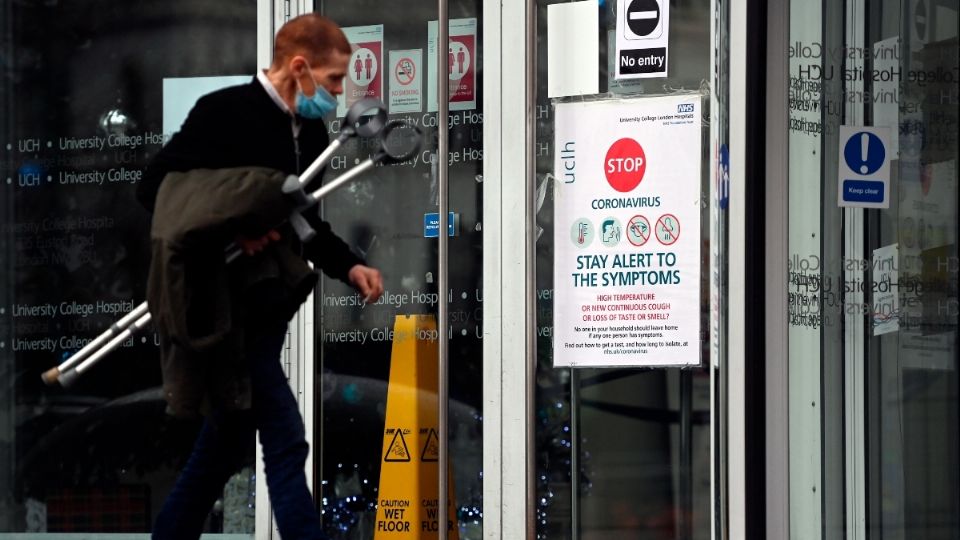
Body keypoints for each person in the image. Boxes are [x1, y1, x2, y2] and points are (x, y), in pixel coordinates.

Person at [137, 14, 383, 540]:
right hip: (227, 310)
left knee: (220, 451)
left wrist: (350, 265)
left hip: (269, 307)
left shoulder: (310, 131)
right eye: (334, 79)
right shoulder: (224, 113)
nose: (338, 94)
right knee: (287, 438)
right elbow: (158, 190)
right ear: (299, 67)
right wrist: (234, 228)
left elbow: (305, 220)